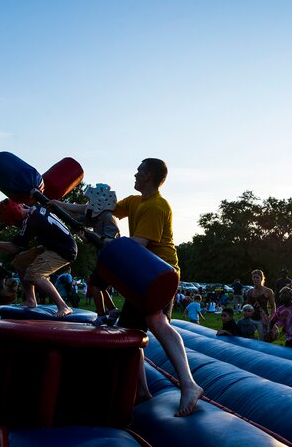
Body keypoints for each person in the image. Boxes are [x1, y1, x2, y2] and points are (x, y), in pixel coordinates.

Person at [112, 158, 202, 417]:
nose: (135, 173)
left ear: (148, 176)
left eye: (139, 170)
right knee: (129, 332)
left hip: (160, 273)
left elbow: (138, 244)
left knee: (156, 321)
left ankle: (189, 384)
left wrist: (110, 243)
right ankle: (141, 390)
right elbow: (102, 209)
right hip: (141, 273)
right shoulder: (135, 201)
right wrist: (57, 204)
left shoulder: (156, 206)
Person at [0, 199, 75, 318]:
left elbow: (13, 248)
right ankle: (31, 300)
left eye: (9, 222)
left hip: (63, 250)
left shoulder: (31, 221)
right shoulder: (35, 209)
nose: (11, 225)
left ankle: (63, 306)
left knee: (34, 274)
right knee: (20, 262)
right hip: (52, 246)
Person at [50, 183, 121, 324]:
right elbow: (75, 216)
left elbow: (111, 240)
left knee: (94, 285)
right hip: (103, 257)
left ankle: (101, 315)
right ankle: (112, 310)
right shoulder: (96, 217)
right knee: (100, 285)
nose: (87, 205)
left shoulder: (107, 217)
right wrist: (57, 207)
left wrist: (93, 235)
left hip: (112, 258)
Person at [247, 269, 276, 342]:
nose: (255, 279)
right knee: (249, 338)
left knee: (262, 340)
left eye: (257, 277)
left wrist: (271, 318)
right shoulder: (249, 292)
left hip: (262, 319)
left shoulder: (268, 291)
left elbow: (273, 306)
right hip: (251, 318)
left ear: (261, 278)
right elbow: (248, 306)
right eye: (254, 277)